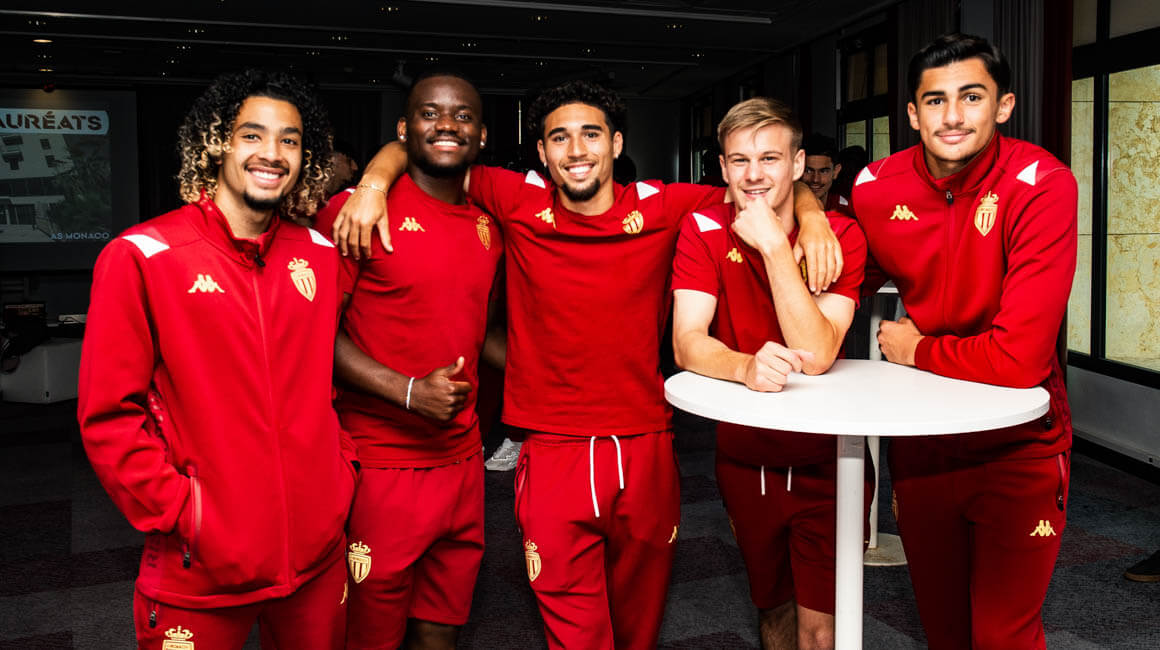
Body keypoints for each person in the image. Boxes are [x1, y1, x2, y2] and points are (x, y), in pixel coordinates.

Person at [332, 80, 844, 649]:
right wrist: (373, 183)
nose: (577, 150)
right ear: (542, 152)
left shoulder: (659, 205)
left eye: (591, 134)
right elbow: (433, 146)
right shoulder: (516, 199)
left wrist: (813, 215)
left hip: (645, 446)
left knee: (638, 630)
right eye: (560, 138)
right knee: (575, 634)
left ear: (616, 143)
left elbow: (760, 184)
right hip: (553, 450)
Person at [77, 70, 356, 650]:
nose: (272, 153)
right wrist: (186, 514)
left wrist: (339, 476)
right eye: (252, 135)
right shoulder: (143, 256)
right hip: (200, 566)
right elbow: (109, 416)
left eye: (289, 140)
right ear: (215, 143)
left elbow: (322, 388)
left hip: (317, 556)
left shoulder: (320, 256)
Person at [852, 33, 1077, 649]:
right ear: (912, 113)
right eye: (936, 100)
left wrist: (915, 350)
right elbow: (836, 275)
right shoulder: (876, 186)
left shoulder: (1042, 183)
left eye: (971, 97)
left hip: (1019, 446)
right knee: (945, 631)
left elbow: (1018, 358)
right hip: (924, 445)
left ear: (1004, 105)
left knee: (1004, 635)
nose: (952, 116)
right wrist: (812, 212)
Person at [671, 98, 869, 650]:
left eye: (770, 158)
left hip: (831, 457)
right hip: (745, 455)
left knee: (820, 626)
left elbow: (817, 352)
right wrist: (744, 366)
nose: (754, 174)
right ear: (723, 166)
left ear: (798, 163)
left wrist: (779, 244)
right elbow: (687, 343)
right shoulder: (702, 229)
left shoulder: (841, 236)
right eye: (739, 160)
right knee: (773, 609)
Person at [315, 71, 503, 650]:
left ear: (482, 135)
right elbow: (312, 335)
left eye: (463, 116)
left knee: (442, 626)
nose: (446, 125)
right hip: (381, 462)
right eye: (429, 113)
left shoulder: (487, 223)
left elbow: (475, 329)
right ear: (403, 128)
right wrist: (407, 390)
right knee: (371, 633)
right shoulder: (356, 212)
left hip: (463, 459)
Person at [801, 133, 851, 215]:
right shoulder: (785, 210)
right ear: (797, 169)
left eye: (823, 171)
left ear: (836, 171)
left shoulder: (848, 211)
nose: (815, 179)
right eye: (808, 171)